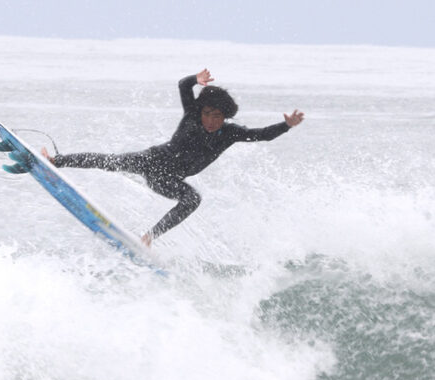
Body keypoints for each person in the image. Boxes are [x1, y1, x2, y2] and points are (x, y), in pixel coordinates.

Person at [43, 68, 304, 246]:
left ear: (225, 117)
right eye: (208, 114)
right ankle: (57, 161)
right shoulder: (192, 114)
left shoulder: (230, 133)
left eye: (218, 116)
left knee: (192, 199)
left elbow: (263, 135)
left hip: (168, 179)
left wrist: (287, 125)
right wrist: (195, 78)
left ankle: (148, 237)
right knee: (110, 161)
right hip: (151, 160)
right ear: (201, 111)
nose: (212, 121)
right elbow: (182, 85)